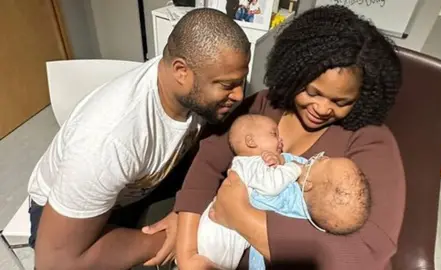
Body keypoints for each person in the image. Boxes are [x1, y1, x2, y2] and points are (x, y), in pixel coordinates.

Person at [175, 5, 405, 270]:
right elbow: (208, 163)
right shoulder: (265, 105)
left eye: (341, 101)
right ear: (294, 72)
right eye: (312, 92)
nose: (321, 108)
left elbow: (368, 252)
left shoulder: (371, 141)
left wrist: (240, 216)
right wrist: (187, 251)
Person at [27, 8, 250, 270]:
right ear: (181, 71)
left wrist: (183, 210)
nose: (238, 95)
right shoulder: (109, 139)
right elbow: (54, 263)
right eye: (227, 85)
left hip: (140, 187)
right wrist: (176, 238)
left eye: (240, 82)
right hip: (63, 218)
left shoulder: (192, 92)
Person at [197, 114, 370, 270]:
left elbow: (276, 183)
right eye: (274, 135)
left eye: (323, 163)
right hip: (214, 233)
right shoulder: (250, 162)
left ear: (308, 185)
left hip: (227, 240)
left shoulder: (299, 194)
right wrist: (288, 165)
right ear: (250, 141)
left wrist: (292, 168)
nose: (322, 157)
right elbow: (275, 180)